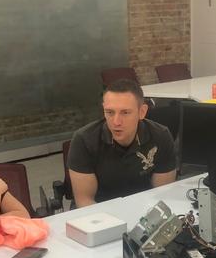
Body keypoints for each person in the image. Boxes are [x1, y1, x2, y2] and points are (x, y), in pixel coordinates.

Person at [68, 78, 177, 207]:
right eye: (110, 112)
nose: (116, 122)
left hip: (144, 210)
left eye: (125, 113)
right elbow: (85, 202)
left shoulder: (160, 136)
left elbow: (162, 196)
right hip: (99, 214)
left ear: (142, 112)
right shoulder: (84, 140)